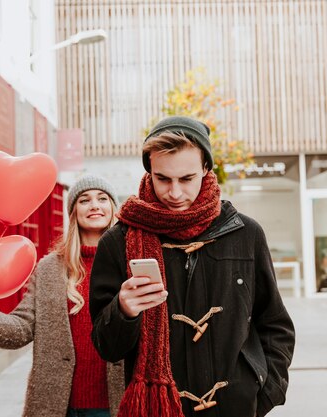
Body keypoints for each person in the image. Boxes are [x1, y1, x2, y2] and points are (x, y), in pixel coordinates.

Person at [89, 116, 295, 417]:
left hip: (235, 408)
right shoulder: (117, 240)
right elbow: (107, 348)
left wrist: (261, 392)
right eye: (163, 179)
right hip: (160, 410)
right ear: (149, 171)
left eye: (186, 179)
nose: (174, 193)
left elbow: (275, 324)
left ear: (206, 169)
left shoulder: (246, 233)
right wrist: (123, 311)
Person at [0, 174, 125, 417]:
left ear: (113, 208)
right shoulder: (50, 267)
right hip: (57, 404)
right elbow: (24, 327)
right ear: (73, 212)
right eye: (84, 200)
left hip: (119, 401)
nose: (94, 205)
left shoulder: (128, 261)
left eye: (102, 199)